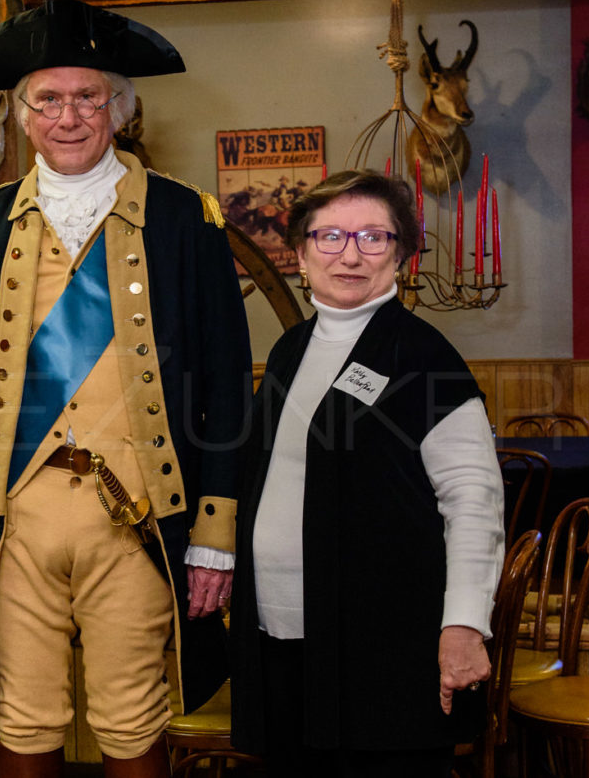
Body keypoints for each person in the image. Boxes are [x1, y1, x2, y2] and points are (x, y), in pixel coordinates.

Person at [0, 0, 251, 777]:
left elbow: (228, 387)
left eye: (87, 97)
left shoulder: (184, 219)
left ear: (119, 109)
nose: (69, 117)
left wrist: (214, 531)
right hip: (15, 520)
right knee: (20, 718)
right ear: (22, 115)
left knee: (134, 722)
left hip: (136, 517)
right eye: (48, 99)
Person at [229, 170, 505, 777]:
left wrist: (463, 624)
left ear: (401, 255)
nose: (350, 254)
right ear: (301, 254)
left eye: (373, 237)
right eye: (329, 237)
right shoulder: (290, 350)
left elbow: (474, 502)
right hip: (282, 635)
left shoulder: (423, 356)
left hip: (386, 645)